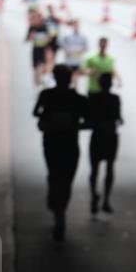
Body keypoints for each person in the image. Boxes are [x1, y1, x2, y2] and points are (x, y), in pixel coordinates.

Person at [33, 65, 89, 241]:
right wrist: (73, 125)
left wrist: (48, 122)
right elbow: (89, 121)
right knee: (66, 179)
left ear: (55, 78)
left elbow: (36, 113)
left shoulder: (46, 95)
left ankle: (56, 205)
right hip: (70, 144)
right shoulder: (78, 99)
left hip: (51, 142)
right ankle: (60, 212)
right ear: (70, 78)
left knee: (54, 174)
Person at [88, 73, 122, 215]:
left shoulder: (93, 98)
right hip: (110, 137)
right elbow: (119, 119)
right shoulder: (115, 99)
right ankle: (106, 199)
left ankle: (94, 195)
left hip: (97, 136)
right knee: (109, 167)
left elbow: (89, 117)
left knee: (94, 169)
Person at [26, 9, 53, 87]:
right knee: (35, 69)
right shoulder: (32, 27)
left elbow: (50, 38)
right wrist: (31, 36)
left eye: (39, 17)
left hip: (43, 50)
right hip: (35, 49)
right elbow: (27, 39)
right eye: (36, 17)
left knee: (42, 67)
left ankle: (41, 81)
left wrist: (47, 39)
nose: (37, 19)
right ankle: (36, 84)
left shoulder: (45, 27)